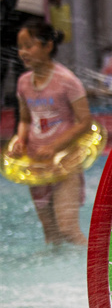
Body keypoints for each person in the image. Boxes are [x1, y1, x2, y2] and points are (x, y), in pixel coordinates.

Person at [10, 19, 91, 245]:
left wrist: (55, 146)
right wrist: (20, 139)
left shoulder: (67, 81)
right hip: (36, 165)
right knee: (51, 234)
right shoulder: (23, 82)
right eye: (20, 47)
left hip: (65, 163)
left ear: (47, 46)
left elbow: (84, 121)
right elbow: (26, 119)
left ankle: (95, 268)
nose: (23, 52)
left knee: (68, 229)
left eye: (29, 45)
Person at [1, 0, 62, 107]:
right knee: (3, 67)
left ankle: (24, 124)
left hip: (34, 21)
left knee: (26, 74)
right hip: (8, 20)